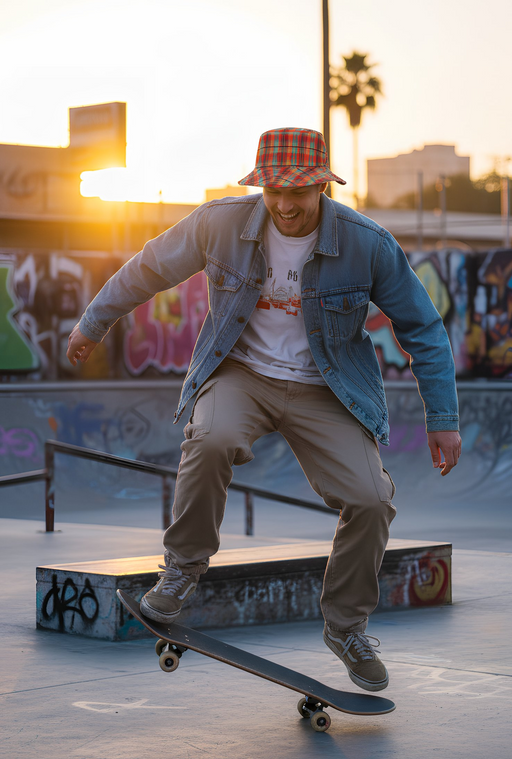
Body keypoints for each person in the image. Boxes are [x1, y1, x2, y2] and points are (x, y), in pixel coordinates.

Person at [67, 128, 461, 693]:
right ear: (260, 185)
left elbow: (422, 326)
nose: (284, 206)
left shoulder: (366, 243)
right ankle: (182, 571)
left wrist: (442, 419)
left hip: (326, 389)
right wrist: (94, 321)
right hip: (240, 374)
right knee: (210, 438)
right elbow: (150, 267)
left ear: (323, 185)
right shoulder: (219, 224)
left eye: (298, 193)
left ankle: (346, 627)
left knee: (372, 500)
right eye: (273, 191)